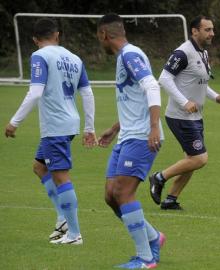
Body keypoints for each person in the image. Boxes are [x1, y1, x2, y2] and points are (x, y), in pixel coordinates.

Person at [4, 18, 96, 244]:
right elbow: (87, 93)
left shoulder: (40, 56)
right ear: (57, 35)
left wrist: (15, 121)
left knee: (60, 175)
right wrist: (89, 127)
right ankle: (62, 218)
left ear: (35, 40)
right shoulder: (75, 58)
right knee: (39, 166)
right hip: (69, 123)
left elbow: (35, 92)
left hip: (55, 126)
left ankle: (74, 234)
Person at [96, 13, 165, 269]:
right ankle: (153, 237)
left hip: (141, 136)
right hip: (127, 135)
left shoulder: (130, 55)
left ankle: (146, 259)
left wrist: (154, 127)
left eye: (98, 38)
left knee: (123, 193)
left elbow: (152, 86)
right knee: (111, 196)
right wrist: (115, 128)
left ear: (104, 34)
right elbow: (134, 98)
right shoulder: (124, 57)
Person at [148, 15, 220, 210]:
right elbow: (164, 79)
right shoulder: (182, 53)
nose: (212, 33)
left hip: (195, 116)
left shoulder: (203, 53)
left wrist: (216, 97)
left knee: (191, 160)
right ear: (194, 31)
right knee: (199, 158)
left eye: (212, 29)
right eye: (207, 30)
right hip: (180, 116)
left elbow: (201, 84)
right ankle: (159, 178)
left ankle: (170, 200)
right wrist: (184, 102)